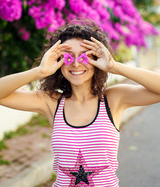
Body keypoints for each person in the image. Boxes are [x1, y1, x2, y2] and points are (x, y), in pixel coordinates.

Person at [0, 20, 160, 187]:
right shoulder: (51, 102)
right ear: (59, 60)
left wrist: (114, 66)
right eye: (68, 56)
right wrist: (39, 71)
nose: (76, 63)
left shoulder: (114, 99)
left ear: (97, 58)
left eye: (85, 55)